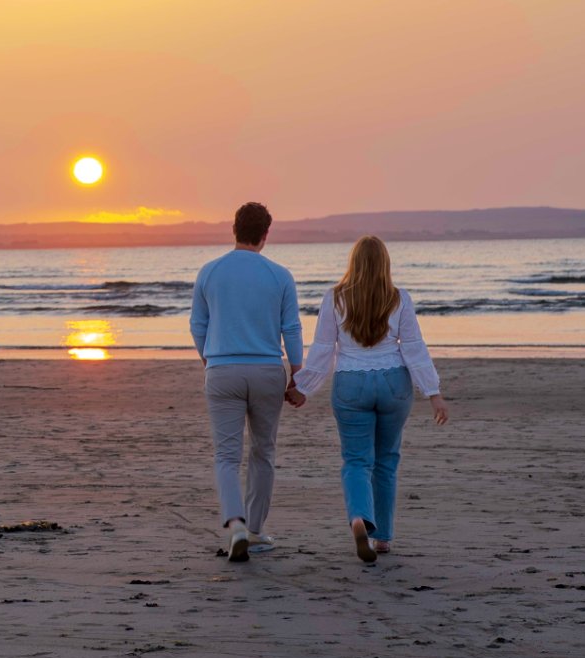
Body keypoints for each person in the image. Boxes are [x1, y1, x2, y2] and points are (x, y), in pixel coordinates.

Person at [294, 236, 449, 563]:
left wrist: (302, 387)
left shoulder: (335, 298)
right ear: (385, 264)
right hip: (393, 382)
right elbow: (414, 349)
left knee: (356, 460)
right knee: (387, 459)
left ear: (353, 263)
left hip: (350, 383)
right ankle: (382, 538)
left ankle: (359, 518)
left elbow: (323, 350)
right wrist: (433, 393)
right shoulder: (399, 299)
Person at [190, 202, 306, 562]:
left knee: (226, 455)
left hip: (223, 370)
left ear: (234, 230)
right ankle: (255, 529)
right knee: (263, 451)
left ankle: (236, 523)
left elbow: (198, 325)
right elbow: (291, 328)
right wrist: (297, 374)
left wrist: (209, 359)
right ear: (265, 234)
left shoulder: (210, 272)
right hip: (267, 370)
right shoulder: (279, 275)